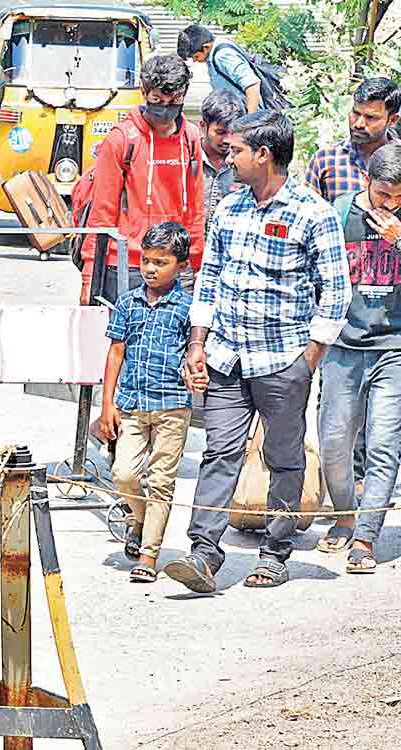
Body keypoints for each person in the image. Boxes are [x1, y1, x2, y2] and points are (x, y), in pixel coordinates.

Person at [169, 111, 351, 593]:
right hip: (228, 358)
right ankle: (204, 553)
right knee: (219, 452)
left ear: (264, 155)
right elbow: (209, 279)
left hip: (282, 362)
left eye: (237, 151)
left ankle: (275, 553)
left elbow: (335, 293)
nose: (229, 158)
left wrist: (307, 358)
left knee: (284, 458)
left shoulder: (314, 214)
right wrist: (197, 343)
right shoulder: (230, 208)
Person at [317, 145, 401, 573]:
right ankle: (345, 512)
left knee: (384, 445)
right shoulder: (336, 213)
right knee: (334, 442)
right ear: (367, 182)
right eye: (384, 194)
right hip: (342, 346)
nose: (391, 205)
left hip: (395, 350)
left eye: (398, 197)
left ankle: (365, 538)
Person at [97, 222, 193, 583]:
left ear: (181, 266)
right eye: (146, 261)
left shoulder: (188, 309)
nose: (151, 269)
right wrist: (108, 405)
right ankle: (137, 519)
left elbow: (196, 352)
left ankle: (149, 555)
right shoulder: (128, 303)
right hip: (132, 405)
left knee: (161, 482)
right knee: (124, 474)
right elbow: (115, 353)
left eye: (161, 262)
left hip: (171, 405)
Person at [78, 55, 205, 305]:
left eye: (174, 101)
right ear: (143, 92)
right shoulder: (121, 140)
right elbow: (102, 213)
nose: (165, 108)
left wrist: (198, 264)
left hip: (176, 268)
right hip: (127, 266)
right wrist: (89, 275)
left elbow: (196, 209)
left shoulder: (190, 139)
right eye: (157, 100)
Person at [305, 77, 400, 205]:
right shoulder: (325, 160)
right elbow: (306, 214)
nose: (359, 124)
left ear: (392, 120)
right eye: (356, 113)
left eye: (371, 117)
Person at [176, 24, 261, 113]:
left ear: (206, 47)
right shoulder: (217, 48)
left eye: (196, 56)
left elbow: (252, 84)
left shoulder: (222, 55)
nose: (194, 60)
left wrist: (250, 119)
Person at [200, 90, 247, 225]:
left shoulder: (246, 165)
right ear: (203, 126)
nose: (227, 139)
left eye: (232, 133)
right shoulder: (187, 158)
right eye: (220, 132)